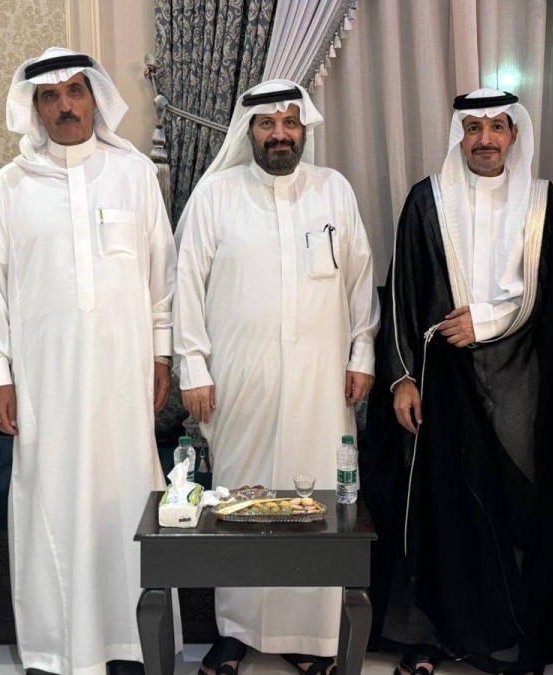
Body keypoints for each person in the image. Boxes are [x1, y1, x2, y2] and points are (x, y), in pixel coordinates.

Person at [362, 89, 553, 675]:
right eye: (473, 128)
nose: (485, 139)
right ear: (459, 137)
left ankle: (514, 642)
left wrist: (488, 321)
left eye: (497, 127)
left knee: (517, 506)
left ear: (515, 136)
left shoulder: (541, 202)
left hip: (524, 379)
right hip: (441, 378)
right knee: (446, 505)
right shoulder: (428, 199)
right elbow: (404, 292)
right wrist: (402, 380)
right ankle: (434, 638)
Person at [0, 47, 178, 675]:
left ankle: (131, 644)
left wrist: (162, 353)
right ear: (35, 108)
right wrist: (0, 376)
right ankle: (54, 650)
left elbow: (161, 276)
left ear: (95, 98)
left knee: (129, 497)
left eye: (75, 91)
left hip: (123, 376)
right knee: (50, 504)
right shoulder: (10, 185)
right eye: (50, 95)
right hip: (45, 381)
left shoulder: (134, 174)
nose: (65, 105)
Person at [173, 80, 380, 675]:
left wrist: (362, 353)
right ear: (250, 131)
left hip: (321, 380)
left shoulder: (333, 189)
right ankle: (236, 632)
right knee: (242, 498)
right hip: (241, 379)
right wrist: (193, 366)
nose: (280, 134)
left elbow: (359, 278)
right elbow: (186, 284)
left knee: (315, 501)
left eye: (290, 122)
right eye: (267, 124)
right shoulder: (217, 194)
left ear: (304, 128)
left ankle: (309, 638)